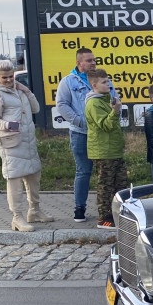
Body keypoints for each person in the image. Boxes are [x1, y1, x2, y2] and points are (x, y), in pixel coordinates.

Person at [0, 59, 52, 232]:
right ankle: (17, 217)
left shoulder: (19, 90)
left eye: (11, 77)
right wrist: (8, 125)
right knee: (15, 180)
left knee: (34, 175)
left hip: (28, 140)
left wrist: (27, 91)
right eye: (5, 78)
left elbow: (36, 109)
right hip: (11, 142)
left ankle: (35, 211)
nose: (9, 80)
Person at [55, 47, 103, 222]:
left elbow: (114, 97)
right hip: (80, 133)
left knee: (104, 172)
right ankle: (79, 207)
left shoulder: (102, 79)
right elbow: (61, 104)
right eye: (89, 60)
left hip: (101, 134)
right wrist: (79, 121)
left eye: (94, 59)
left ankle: (105, 209)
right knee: (83, 171)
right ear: (79, 63)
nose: (93, 62)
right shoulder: (68, 82)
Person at [84, 69, 126, 229]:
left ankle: (119, 214)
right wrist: (115, 112)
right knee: (106, 185)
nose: (108, 84)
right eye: (104, 82)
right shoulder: (94, 103)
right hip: (103, 151)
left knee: (120, 184)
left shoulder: (108, 98)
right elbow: (106, 126)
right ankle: (104, 217)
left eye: (108, 81)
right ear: (94, 85)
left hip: (114, 150)